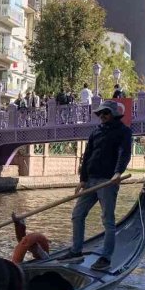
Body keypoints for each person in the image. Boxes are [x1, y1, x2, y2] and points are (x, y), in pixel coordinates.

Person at [58, 100, 132, 272]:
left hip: (107, 181)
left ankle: (105, 258)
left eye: (105, 113)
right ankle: (76, 251)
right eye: (100, 114)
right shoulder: (96, 132)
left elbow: (124, 153)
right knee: (77, 214)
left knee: (107, 220)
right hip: (91, 180)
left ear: (113, 114)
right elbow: (88, 155)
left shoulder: (124, 131)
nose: (102, 116)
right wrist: (82, 179)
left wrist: (118, 173)